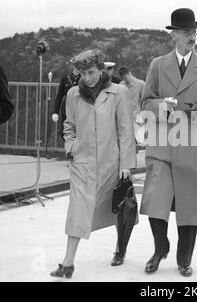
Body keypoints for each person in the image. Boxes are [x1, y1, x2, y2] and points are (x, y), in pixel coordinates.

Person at [139, 8, 197, 277]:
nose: (192, 36)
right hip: (163, 144)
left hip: (193, 145)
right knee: (156, 200)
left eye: (194, 31)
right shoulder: (157, 65)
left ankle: (184, 259)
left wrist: (196, 107)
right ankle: (160, 247)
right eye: (186, 32)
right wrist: (159, 106)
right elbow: (144, 103)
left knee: (190, 205)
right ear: (173, 35)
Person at [50, 50, 136, 279]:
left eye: (90, 72)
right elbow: (68, 126)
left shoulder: (118, 92)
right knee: (77, 211)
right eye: (82, 73)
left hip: (112, 162)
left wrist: (126, 163)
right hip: (82, 162)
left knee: (116, 206)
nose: (86, 77)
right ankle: (67, 263)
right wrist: (71, 148)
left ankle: (120, 248)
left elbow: (126, 130)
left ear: (101, 69)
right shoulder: (72, 94)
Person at [52, 65, 81, 140]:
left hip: (79, 109)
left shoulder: (84, 79)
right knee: (64, 132)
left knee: (77, 133)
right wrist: (55, 112)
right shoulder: (65, 78)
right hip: (66, 108)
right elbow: (59, 95)